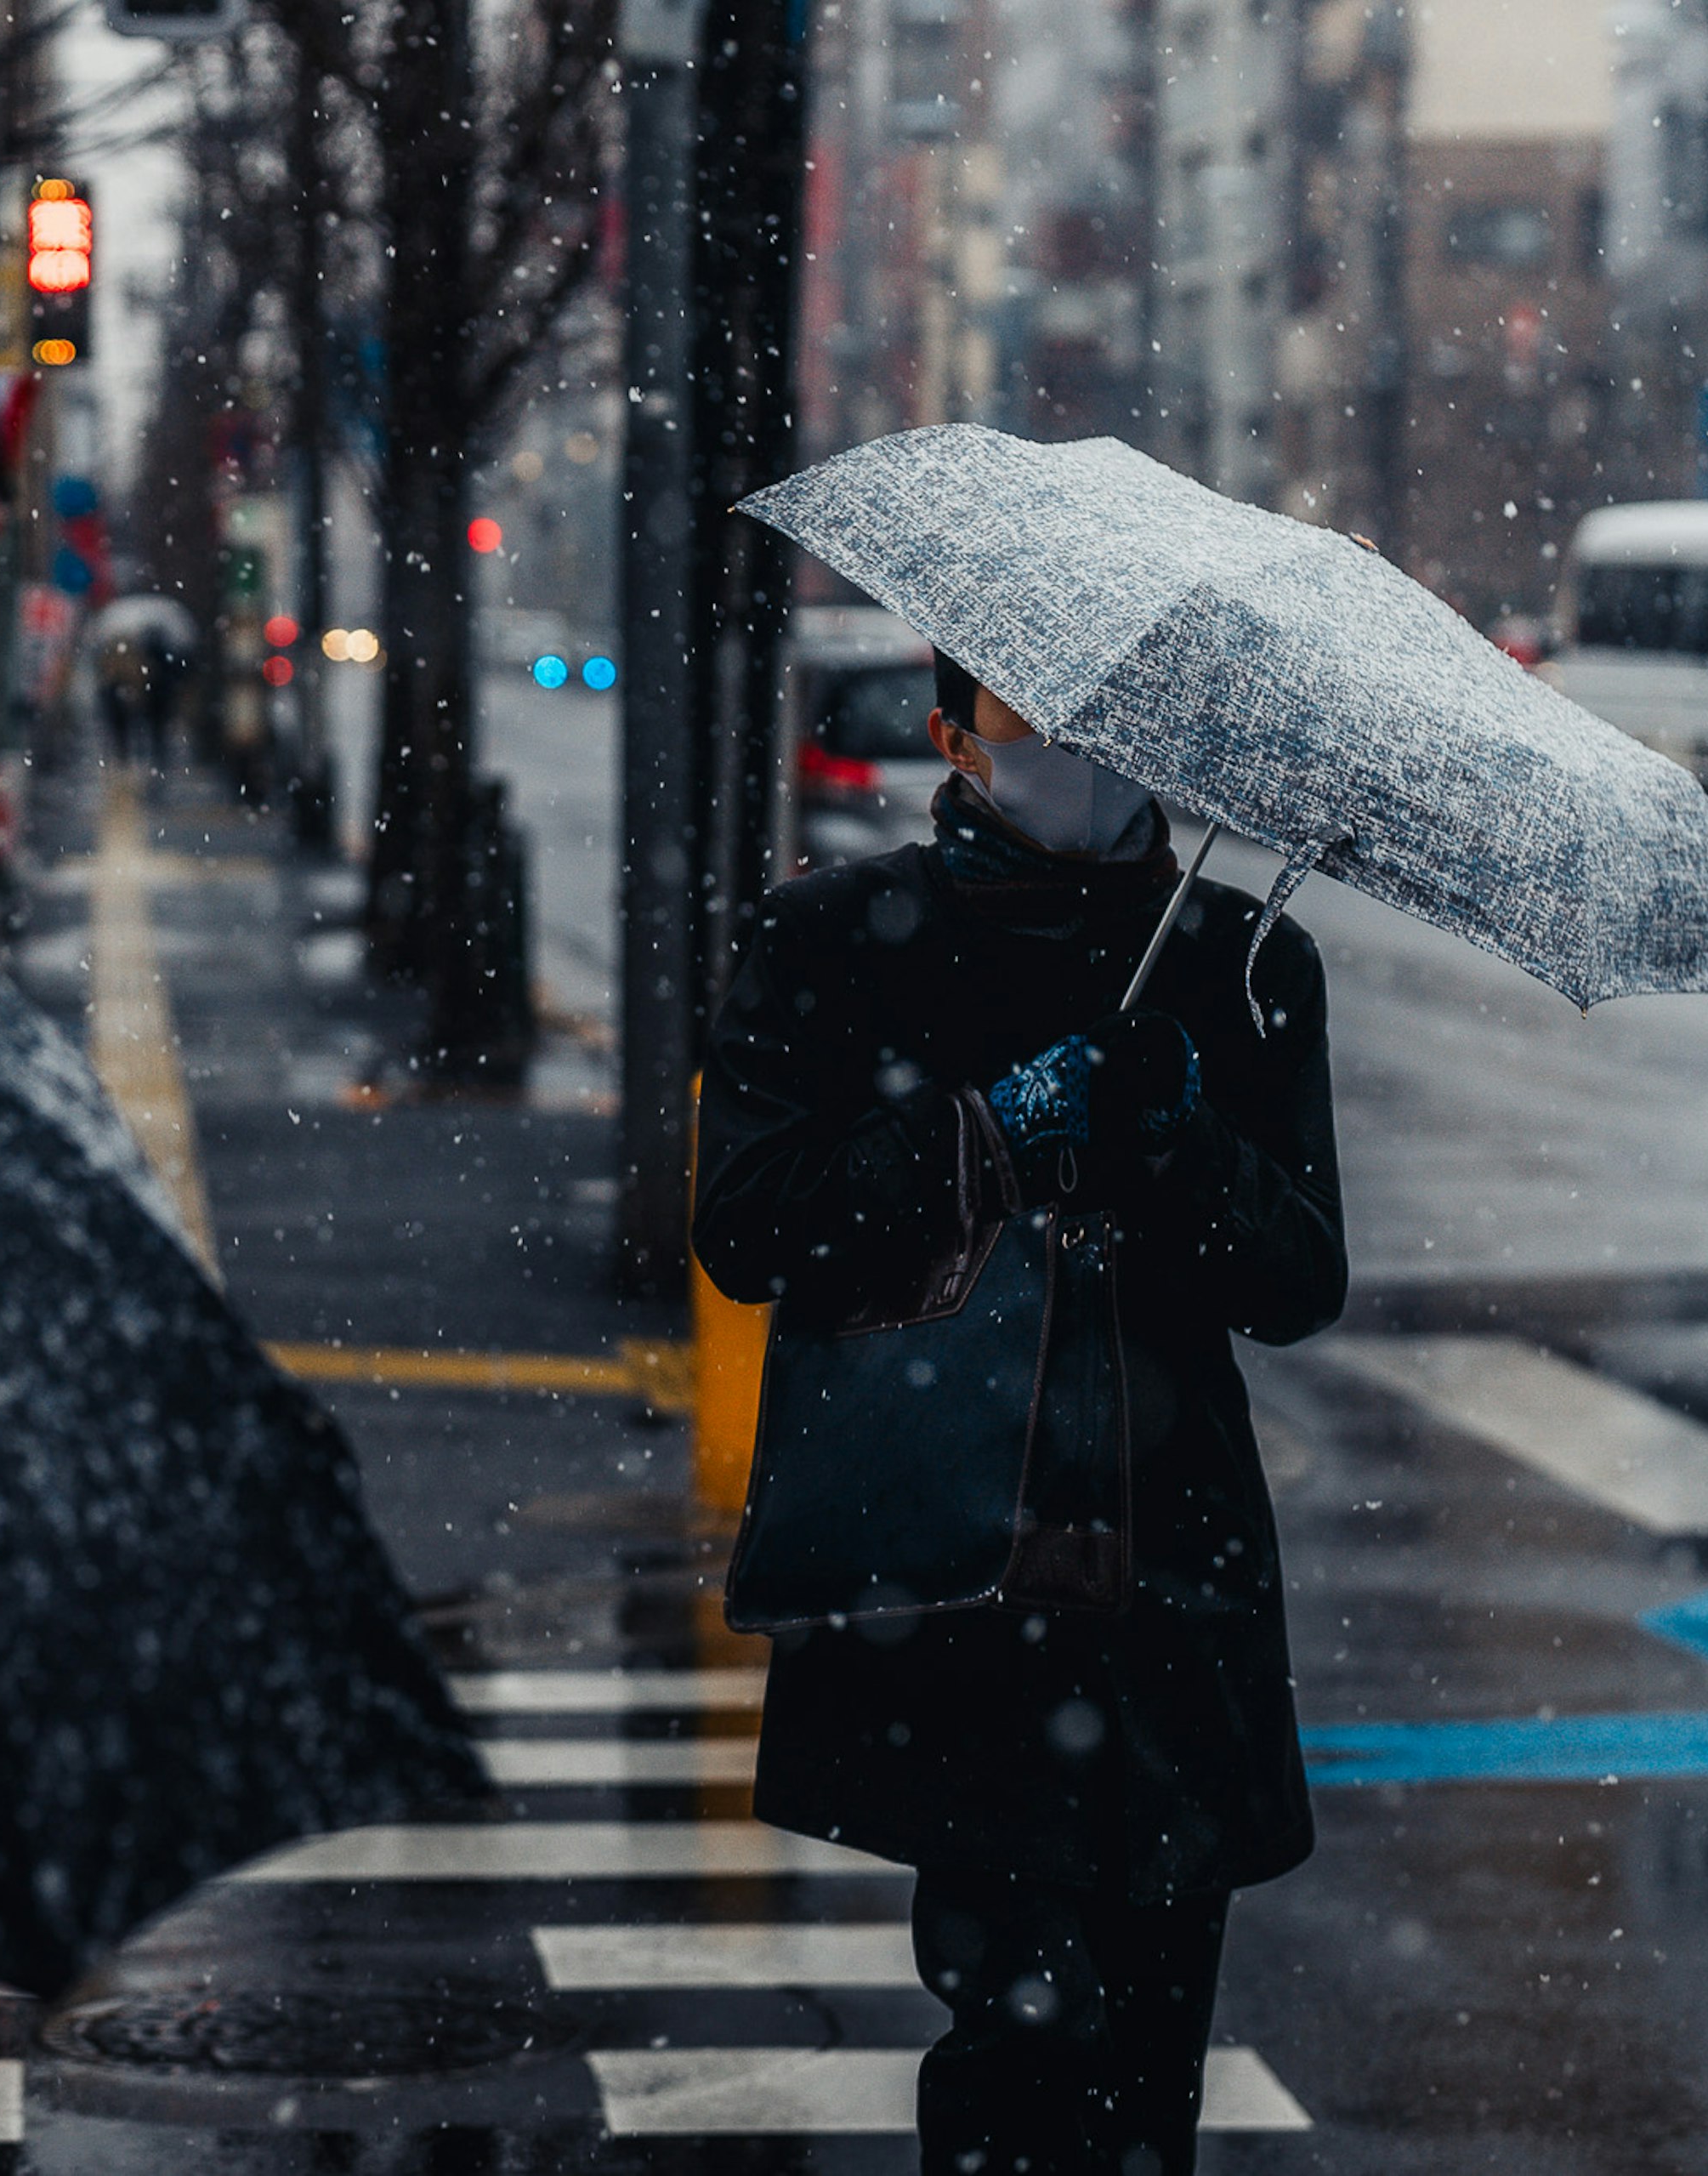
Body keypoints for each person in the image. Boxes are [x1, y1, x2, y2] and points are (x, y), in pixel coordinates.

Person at [693, 654, 1346, 2176]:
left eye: (1117, 725)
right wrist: (989, 1134)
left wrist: (1179, 1136)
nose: (1085, 757)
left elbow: (1300, 1275)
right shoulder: (838, 941)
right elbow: (751, 1222)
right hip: (964, 1573)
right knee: (1014, 2050)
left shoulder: (1242, 963)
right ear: (954, 742)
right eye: (1038, 720)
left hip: (1176, 1583)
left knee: (1154, 2066)